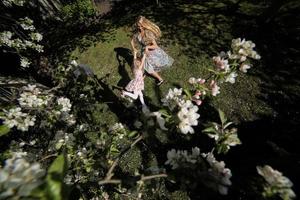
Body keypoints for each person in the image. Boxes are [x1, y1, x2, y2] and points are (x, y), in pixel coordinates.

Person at [131, 16, 174, 86]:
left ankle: (160, 79)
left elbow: (155, 46)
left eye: (141, 26)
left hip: (151, 52)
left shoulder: (148, 33)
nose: (139, 27)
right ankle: (151, 76)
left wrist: (147, 47)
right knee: (146, 66)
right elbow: (132, 40)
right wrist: (134, 48)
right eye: (138, 26)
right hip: (144, 52)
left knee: (147, 67)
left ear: (144, 25)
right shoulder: (137, 33)